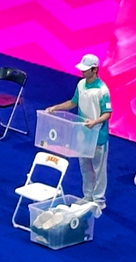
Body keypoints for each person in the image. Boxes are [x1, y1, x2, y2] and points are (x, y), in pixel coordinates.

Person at [45, 54, 112, 210]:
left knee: (98, 170)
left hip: (98, 136)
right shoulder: (81, 84)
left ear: (94, 70)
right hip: (83, 134)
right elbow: (73, 102)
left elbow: (107, 113)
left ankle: (99, 200)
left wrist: (94, 122)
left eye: (86, 69)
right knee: (85, 167)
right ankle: (88, 196)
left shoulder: (102, 90)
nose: (82, 71)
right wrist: (55, 108)